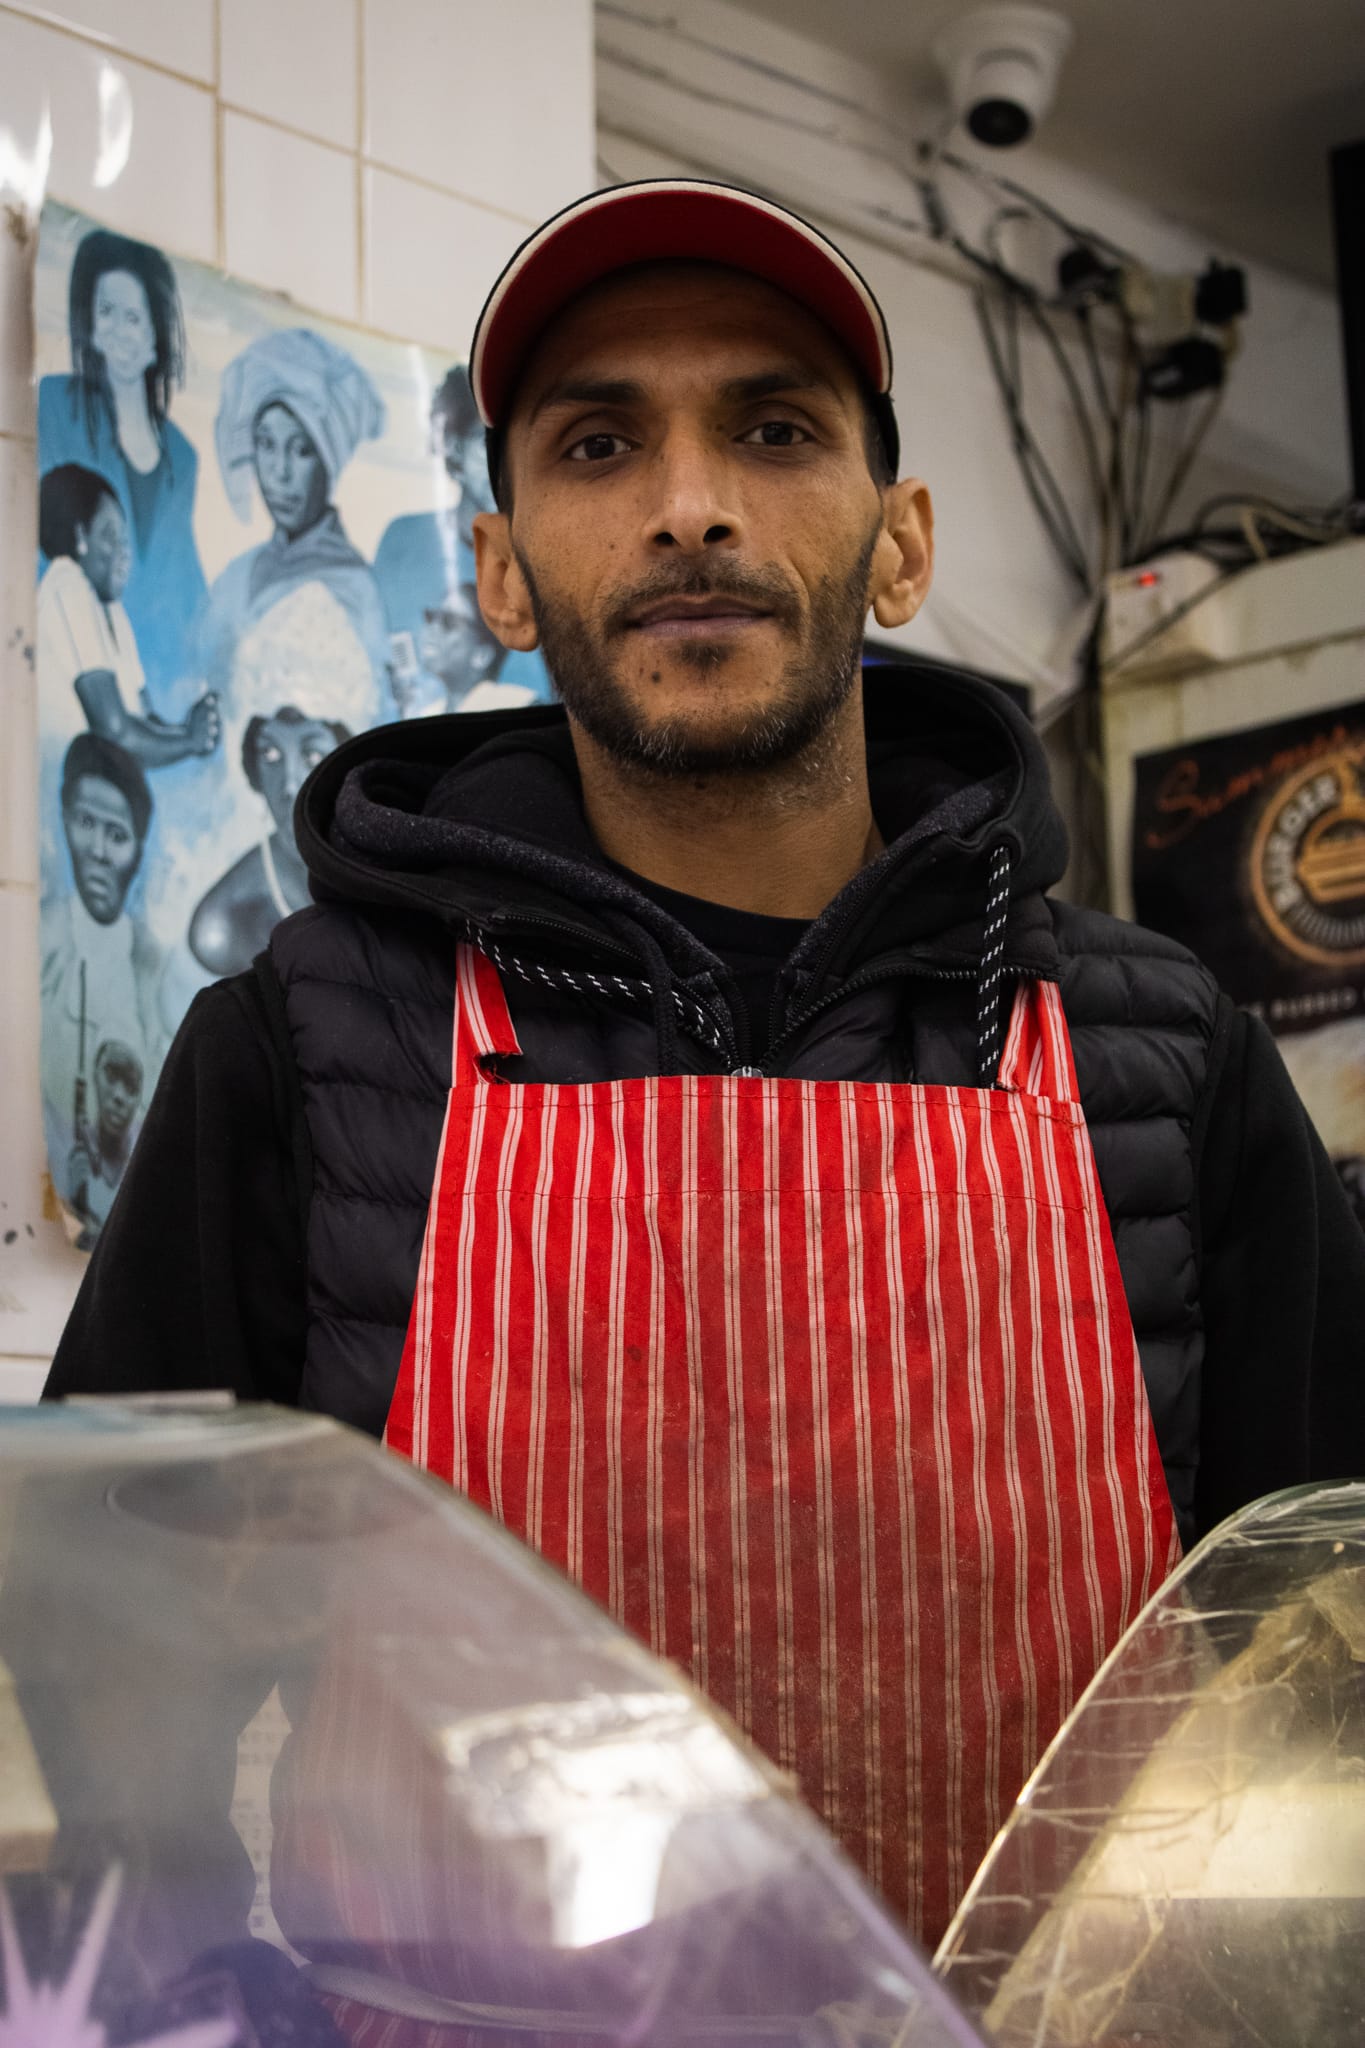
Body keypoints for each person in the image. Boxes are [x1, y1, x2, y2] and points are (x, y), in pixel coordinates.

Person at [48, 181, 1365, 1946]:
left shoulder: (1162, 1051)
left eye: (772, 426)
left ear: (898, 541)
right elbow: (103, 1650)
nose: (689, 505)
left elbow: (1318, 1652)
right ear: (503, 568)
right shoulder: (309, 1043)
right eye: (598, 443)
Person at [38, 228, 207, 706]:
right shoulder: (52, 404)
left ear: (156, 333)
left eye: (133, 317)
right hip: (74, 675)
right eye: (105, 311)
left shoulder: (182, 455)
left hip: (159, 679)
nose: (116, 330)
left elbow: (184, 581)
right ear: (88, 321)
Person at [200, 328, 389, 709]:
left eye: (301, 449)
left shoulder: (355, 589)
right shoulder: (236, 577)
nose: (279, 473)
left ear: (327, 460)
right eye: (266, 445)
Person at [41, 734, 163, 1233]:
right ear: (65, 820)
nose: (97, 850)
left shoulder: (151, 964)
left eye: (116, 834)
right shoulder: (40, 939)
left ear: (137, 849)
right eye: (85, 823)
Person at [373, 364, 549, 704]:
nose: (509, 465)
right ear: (453, 446)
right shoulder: (402, 541)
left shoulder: (551, 549)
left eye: (523, 443)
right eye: (489, 445)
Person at [37, 463, 221, 765]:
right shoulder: (66, 584)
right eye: (110, 535)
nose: (125, 551)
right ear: (80, 537)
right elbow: (115, 734)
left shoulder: (110, 608)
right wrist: (189, 741)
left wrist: (191, 729)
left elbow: (144, 721)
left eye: (124, 538)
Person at [188, 705, 351, 977]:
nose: (288, 783)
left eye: (311, 755)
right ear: (254, 773)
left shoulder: (391, 860)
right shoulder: (223, 919)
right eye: (271, 754)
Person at [393, 583, 538, 717]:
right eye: (430, 617)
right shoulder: (426, 714)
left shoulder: (521, 705)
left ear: (482, 655)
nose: (432, 628)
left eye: (449, 621)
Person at [67, 1037, 144, 1248]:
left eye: (130, 1086)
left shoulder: (143, 1160)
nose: (118, 1096)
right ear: (95, 1076)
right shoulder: (80, 1154)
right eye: (111, 1076)